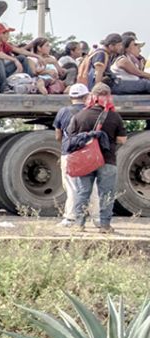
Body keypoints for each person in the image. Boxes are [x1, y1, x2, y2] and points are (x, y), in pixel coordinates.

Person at [62, 84, 127, 233]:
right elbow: (122, 140)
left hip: (85, 161)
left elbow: (70, 138)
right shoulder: (114, 116)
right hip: (107, 160)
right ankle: (104, 226)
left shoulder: (80, 116)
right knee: (106, 194)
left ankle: (79, 224)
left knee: (82, 192)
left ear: (92, 97)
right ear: (109, 96)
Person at [54, 83, 92, 228]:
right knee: (91, 186)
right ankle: (97, 218)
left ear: (70, 97)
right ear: (86, 96)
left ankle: (70, 218)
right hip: (88, 154)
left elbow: (58, 135)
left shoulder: (63, 112)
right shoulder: (91, 111)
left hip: (69, 153)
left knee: (71, 187)